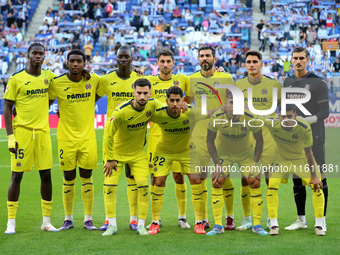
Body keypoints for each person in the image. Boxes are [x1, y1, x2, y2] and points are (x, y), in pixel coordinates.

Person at [4, 42, 58, 234]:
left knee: (46, 174)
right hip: (22, 132)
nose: (37, 56)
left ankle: (46, 221)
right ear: (28, 55)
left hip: (43, 132)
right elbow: (7, 107)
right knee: (17, 175)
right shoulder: (16, 78)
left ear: (44, 56)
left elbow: (66, 81)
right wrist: (10, 136)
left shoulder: (48, 76)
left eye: (40, 53)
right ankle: (11, 222)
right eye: (34, 53)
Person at [148, 86, 214, 235]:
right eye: (172, 100)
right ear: (167, 101)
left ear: (183, 100)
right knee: (158, 182)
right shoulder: (159, 113)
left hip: (186, 151)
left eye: (178, 100)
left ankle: (198, 223)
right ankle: (154, 222)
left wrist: (228, 107)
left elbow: (210, 113)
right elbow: (141, 112)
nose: (175, 104)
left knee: (196, 181)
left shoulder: (191, 112)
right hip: (164, 151)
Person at [102, 78, 163, 236]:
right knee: (109, 187)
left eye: (145, 93)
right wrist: (109, 159)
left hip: (137, 154)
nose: (142, 97)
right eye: (139, 93)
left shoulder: (153, 104)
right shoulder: (121, 110)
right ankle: (112, 225)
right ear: (133, 93)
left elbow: (168, 111)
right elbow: (108, 136)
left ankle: (141, 225)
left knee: (143, 186)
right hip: (116, 154)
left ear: (150, 93)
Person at [49, 49, 101, 231]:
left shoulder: (93, 80)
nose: (76, 64)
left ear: (85, 63)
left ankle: (88, 219)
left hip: (87, 138)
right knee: (68, 176)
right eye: (72, 61)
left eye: (79, 61)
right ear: (67, 63)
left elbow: (105, 88)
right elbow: (44, 102)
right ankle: (68, 219)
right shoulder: (57, 83)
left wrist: (88, 103)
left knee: (87, 176)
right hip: (66, 139)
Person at [206, 91, 267, 235]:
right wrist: (216, 164)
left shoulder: (251, 118)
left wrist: (255, 162)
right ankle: (218, 226)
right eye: (232, 102)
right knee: (217, 181)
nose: (235, 106)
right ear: (226, 104)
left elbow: (260, 140)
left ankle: (257, 225)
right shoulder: (217, 117)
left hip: (245, 154)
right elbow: (209, 140)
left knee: (255, 181)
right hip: (224, 154)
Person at [283, 47, 329, 232]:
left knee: (319, 178)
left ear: (307, 60)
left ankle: (321, 221)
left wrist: (305, 121)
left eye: (302, 58)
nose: (298, 61)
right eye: (295, 58)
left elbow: (324, 112)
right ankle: (301, 220)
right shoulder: (287, 81)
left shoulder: (319, 83)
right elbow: (284, 107)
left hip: (315, 137)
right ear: (291, 60)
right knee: (297, 178)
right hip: (293, 139)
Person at [96, 45, 142, 232]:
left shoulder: (139, 79)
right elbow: (91, 98)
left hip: (134, 137)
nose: (123, 60)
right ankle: (109, 219)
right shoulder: (106, 79)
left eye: (126, 57)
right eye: (120, 57)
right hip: (112, 138)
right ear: (116, 59)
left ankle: (133, 219)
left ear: (132, 59)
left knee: (132, 178)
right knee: (110, 179)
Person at [188, 45, 235, 230]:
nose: (205, 58)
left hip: (222, 134)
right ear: (198, 58)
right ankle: (204, 218)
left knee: (224, 176)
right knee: (200, 177)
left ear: (215, 58)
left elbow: (234, 102)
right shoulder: (190, 79)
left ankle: (229, 217)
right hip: (199, 134)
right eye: (202, 56)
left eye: (208, 55)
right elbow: (185, 103)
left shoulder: (226, 78)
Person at [235, 50, 281, 231]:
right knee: (246, 179)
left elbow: (283, 108)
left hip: (268, 137)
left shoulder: (273, 84)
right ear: (244, 65)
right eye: (248, 62)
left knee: (270, 177)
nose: (251, 64)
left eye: (255, 61)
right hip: (246, 137)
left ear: (261, 64)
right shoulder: (238, 84)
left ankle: (271, 217)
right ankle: (247, 219)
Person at [146, 49, 191, 229]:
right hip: (156, 138)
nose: (165, 64)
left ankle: (182, 217)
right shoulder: (149, 81)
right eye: (162, 61)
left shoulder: (183, 79)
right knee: (155, 178)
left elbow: (188, 102)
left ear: (174, 63)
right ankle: (155, 218)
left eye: (168, 61)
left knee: (179, 176)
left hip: (178, 137)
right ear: (157, 63)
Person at [265, 104, 325, 236]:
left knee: (317, 186)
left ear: (296, 116)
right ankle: (274, 224)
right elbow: (253, 116)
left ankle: (319, 225)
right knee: (272, 186)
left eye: (290, 116)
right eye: (283, 116)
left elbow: (309, 152)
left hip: (301, 159)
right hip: (281, 159)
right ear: (278, 116)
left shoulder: (303, 127)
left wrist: (314, 176)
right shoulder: (271, 122)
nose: (286, 119)